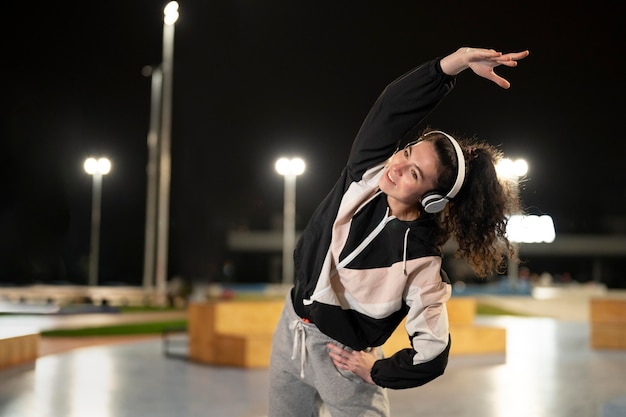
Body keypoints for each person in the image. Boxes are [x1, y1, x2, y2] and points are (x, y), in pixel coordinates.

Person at [268, 46, 529, 417]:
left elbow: (432, 354)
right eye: (407, 153)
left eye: (415, 174)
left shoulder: (422, 263)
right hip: (289, 331)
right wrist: (452, 64)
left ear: (433, 200)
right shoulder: (365, 175)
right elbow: (391, 107)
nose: (398, 167)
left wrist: (376, 371)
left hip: (341, 361)